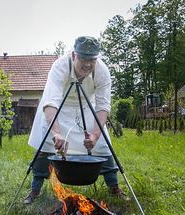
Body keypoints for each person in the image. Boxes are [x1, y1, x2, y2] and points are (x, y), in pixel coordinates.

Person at [25, 36, 128, 204]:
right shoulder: (59, 66)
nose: (88, 64)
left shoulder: (102, 71)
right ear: (74, 55)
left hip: (87, 107)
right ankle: (34, 190)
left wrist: (95, 135)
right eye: (83, 59)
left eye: (92, 59)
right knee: (45, 146)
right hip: (58, 107)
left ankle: (114, 187)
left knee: (103, 146)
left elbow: (103, 105)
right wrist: (56, 133)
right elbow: (51, 101)